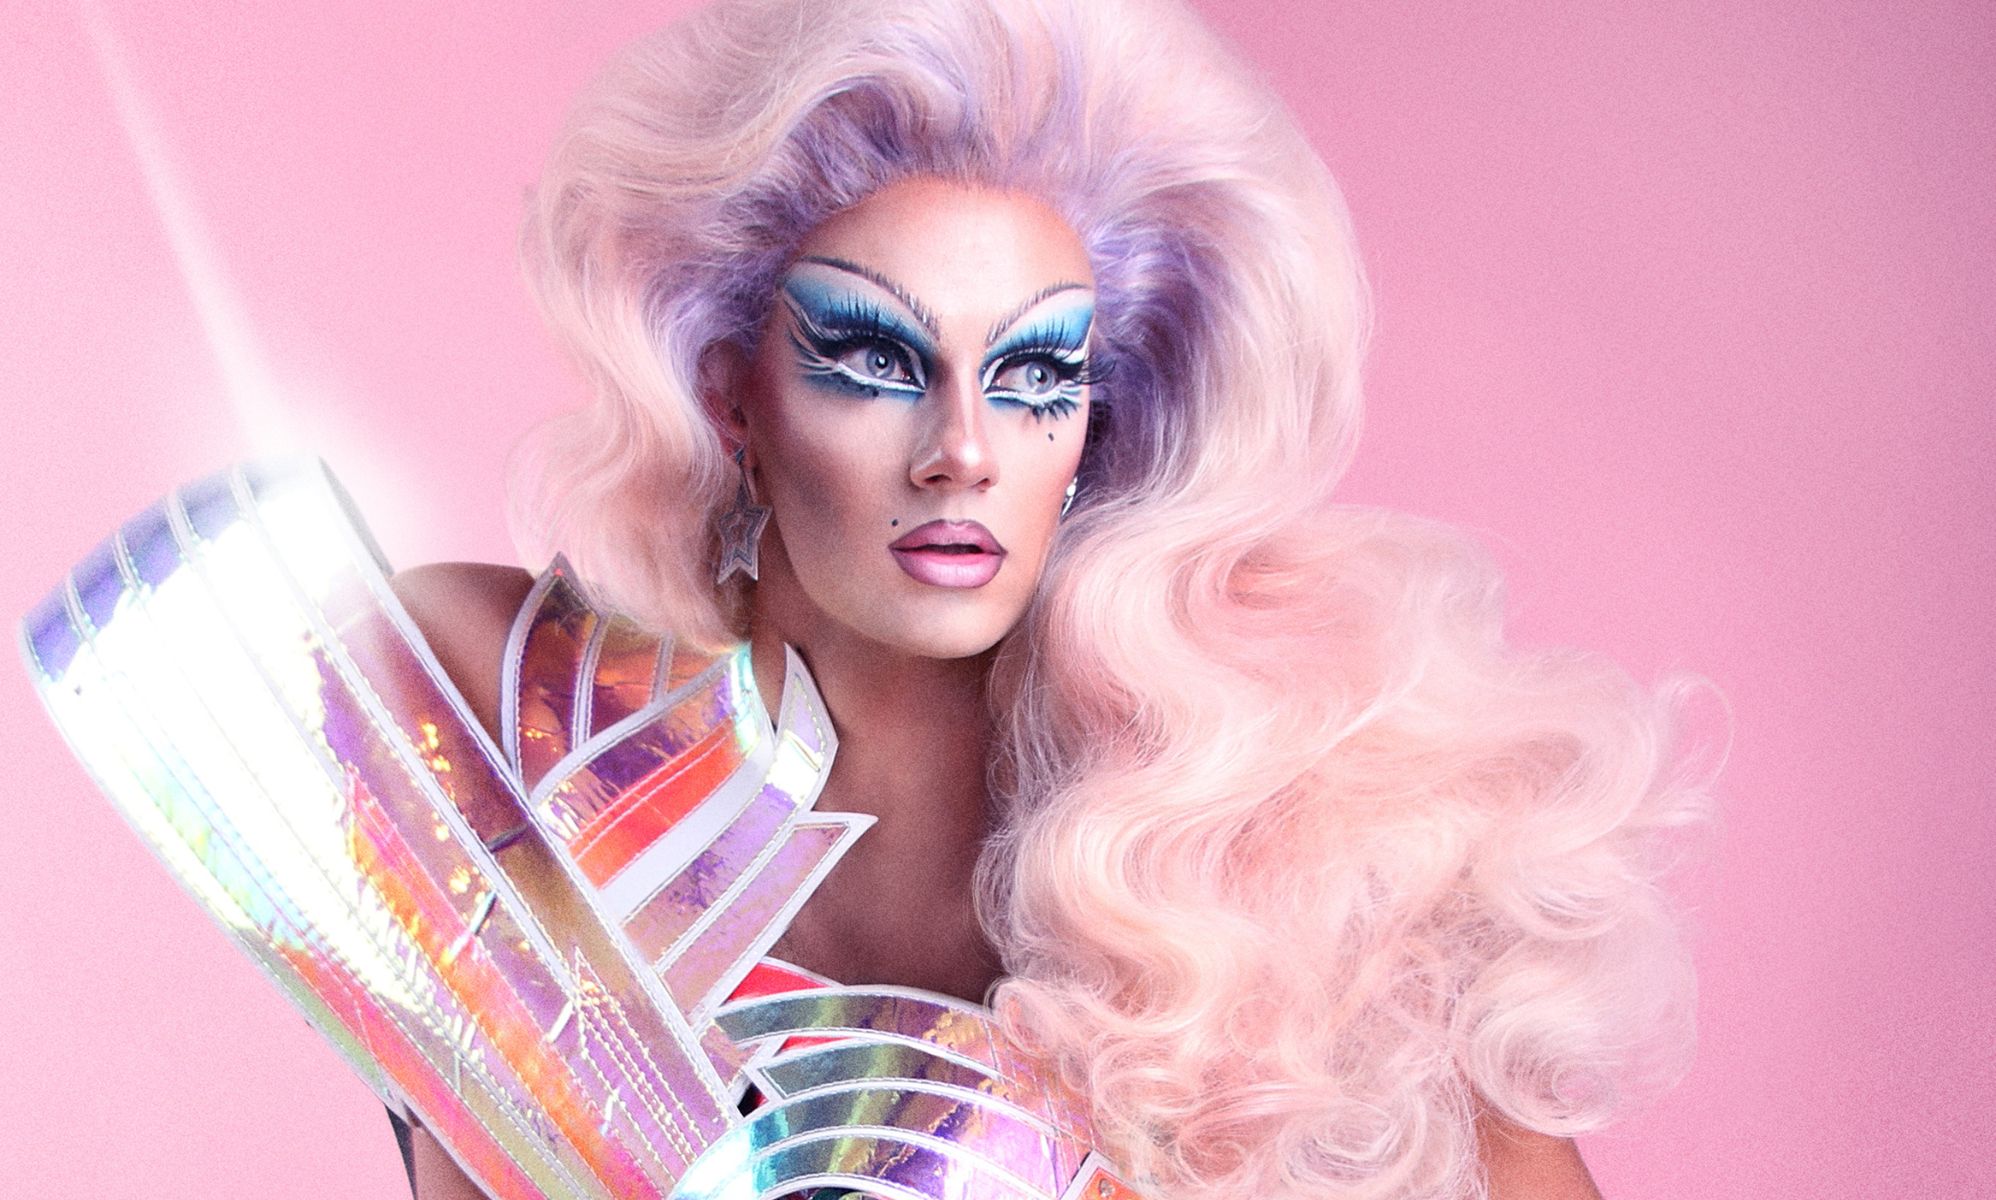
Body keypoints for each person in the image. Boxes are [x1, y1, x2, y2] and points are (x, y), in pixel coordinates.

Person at [382, 0, 1707, 1196]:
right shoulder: (510, 710)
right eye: (875, 358)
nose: (965, 445)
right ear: (733, 396)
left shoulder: (1285, 849)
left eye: (1032, 377)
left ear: (1090, 426)